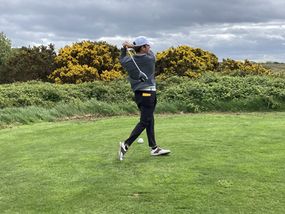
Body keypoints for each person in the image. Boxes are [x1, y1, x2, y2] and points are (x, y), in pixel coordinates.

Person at [118, 36, 170, 161]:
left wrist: (124, 48)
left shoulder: (128, 61)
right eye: (147, 45)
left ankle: (154, 148)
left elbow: (122, 58)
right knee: (144, 121)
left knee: (149, 119)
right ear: (142, 48)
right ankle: (126, 144)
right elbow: (152, 54)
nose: (149, 47)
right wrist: (131, 46)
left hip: (139, 95)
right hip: (148, 94)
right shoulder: (150, 59)